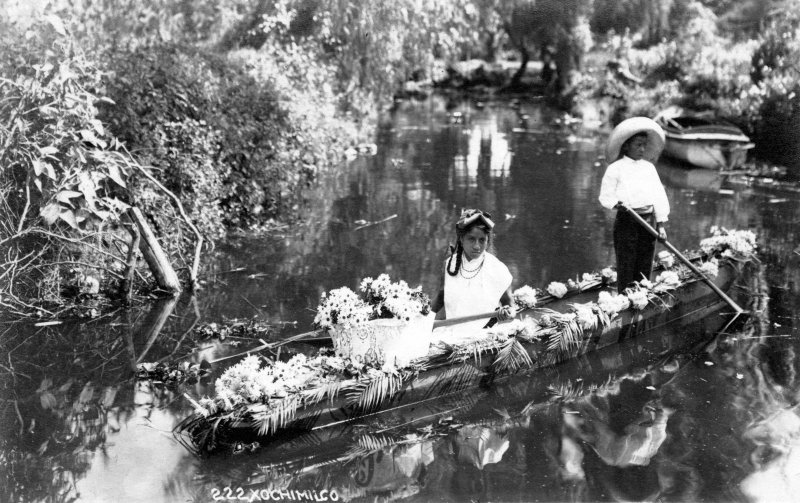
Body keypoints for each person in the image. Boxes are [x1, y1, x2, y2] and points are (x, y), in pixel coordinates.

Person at [599, 118, 670, 293]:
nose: (642, 149)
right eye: (638, 145)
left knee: (645, 261)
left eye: (644, 145)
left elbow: (659, 196)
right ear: (626, 146)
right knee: (626, 262)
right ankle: (625, 298)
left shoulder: (648, 168)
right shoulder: (616, 168)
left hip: (648, 220)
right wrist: (618, 205)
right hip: (627, 220)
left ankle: (643, 295)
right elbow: (605, 196)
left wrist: (660, 224)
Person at [430, 208, 516, 332]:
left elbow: (510, 305)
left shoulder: (498, 269)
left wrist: (508, 313)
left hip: (485, 332)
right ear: (461, 239)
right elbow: (441, 297)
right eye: (471, 239)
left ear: (488, 241)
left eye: (482, 240)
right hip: (452, 330)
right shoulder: (450, 264)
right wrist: (423, 318)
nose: (477, 246)